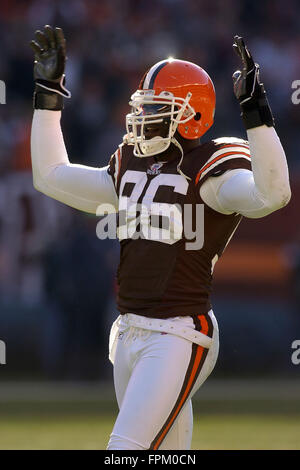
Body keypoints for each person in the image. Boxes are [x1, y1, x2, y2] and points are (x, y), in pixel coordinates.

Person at [30, 25, 291, 450]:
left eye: (158, 107)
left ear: (191, 116)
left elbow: (273, 194)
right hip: (128, 329)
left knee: (125, 450)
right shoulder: (131, 162)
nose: (143, 117)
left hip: (178, 334)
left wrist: (256, 116)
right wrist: (48, 97)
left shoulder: (212, 169)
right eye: (144, 106)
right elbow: (50, 176)